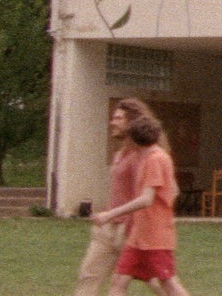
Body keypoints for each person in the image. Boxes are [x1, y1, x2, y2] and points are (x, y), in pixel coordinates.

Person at [94, 114, 190, 296]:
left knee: (169, 283)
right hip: (139, 237)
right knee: (118, 282)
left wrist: (109, 214)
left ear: (134, 139)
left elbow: (147, 199)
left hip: (155, 238)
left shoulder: (155, 159)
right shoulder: (151, 158)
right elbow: (174, 191)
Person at [75, 99, 156, 296]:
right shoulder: (120, 154)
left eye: (118, 118)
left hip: (130, 229)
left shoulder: (143, 156)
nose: (112, 122)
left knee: (156, 281)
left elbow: (146, 196)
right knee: (89, 275)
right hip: (108, 228)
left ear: (132, 123)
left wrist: (131, 224)